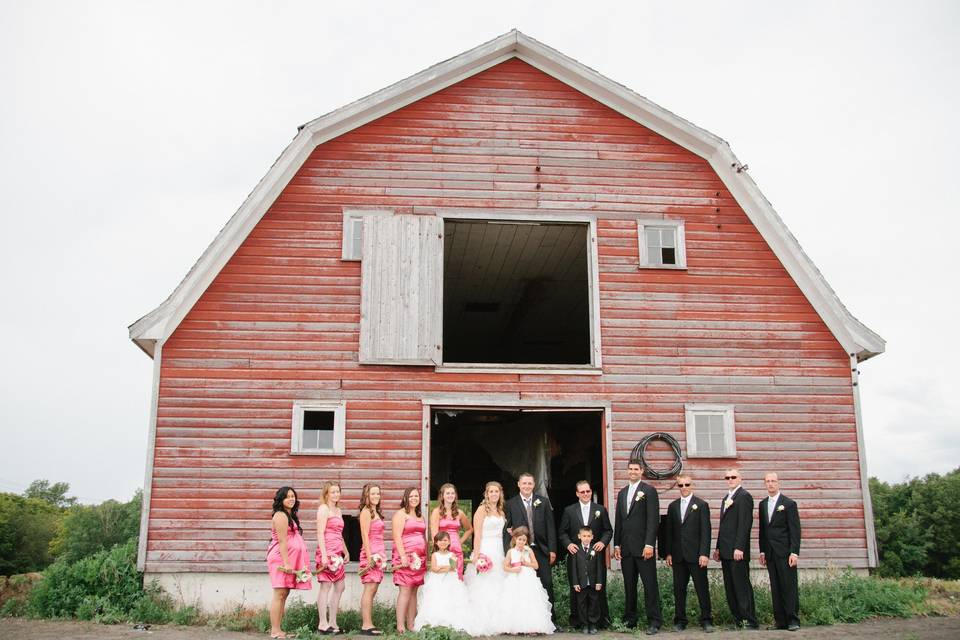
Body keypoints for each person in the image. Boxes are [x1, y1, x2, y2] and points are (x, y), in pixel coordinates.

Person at [613, 460, 663, 635]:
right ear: (627, 472)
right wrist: (616, 544)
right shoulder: (622, 493)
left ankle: (654, 621)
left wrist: (650, 544)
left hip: (644, 549)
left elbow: (653, 520)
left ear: (641, 471)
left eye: (636, 469)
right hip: (626, 549)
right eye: (630, 469)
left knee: (650, 585)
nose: (633, 472)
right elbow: (619, 521)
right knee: (629, 586)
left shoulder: (649, 491)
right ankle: (630, 620)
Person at [559, 480, 612, 629]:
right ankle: (578, 621)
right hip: (576, 556)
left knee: (597, 588)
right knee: (577, 588)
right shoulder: (569, 510)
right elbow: (562, 532)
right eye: (582, 492)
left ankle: (600, 620)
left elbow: (608, 530)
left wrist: (602, 542)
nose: (585, 494)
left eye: (588, 491)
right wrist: (568, 544)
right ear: (577, 494)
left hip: (595, 556)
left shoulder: (600, 509)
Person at [664, 474, 713, 633]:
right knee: (679, 589)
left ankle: (706, 619)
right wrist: (669, 553)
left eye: (687, 485)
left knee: (701, 588)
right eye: (681, 485)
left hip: (696, 555)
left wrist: (704, 553)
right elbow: (669, 532)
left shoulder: (701, 505)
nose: (684, 488)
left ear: (692, 485)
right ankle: (680, 620)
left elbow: (706, 532)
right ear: (677, 486)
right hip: (678, 555)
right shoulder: (672, 506)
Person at [504, 472, 557, 612]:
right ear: (519, 484)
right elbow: (507, 529)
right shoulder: (510, 504)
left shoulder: (543, 502)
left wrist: (552, 549)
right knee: (523, 587)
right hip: (520, 550)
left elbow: (550, 527)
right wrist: (508, 552)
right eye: (524, 483)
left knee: (546, 583)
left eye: (530, 483)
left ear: (533, 485)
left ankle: (551, 620)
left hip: (541, 548)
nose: (527, 486)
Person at [712, 468, 758, 630]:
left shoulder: (744, 497)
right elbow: (724, 526)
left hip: (737, 551)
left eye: (733, 477)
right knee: (730, 586)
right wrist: (718, 547)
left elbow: (745, 524)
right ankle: (738, 619)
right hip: (725, 550)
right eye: (727, 477)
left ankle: (749, 620)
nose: (730, 479)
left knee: (741, 585)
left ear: (740, 478)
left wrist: (739, 547)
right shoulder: (727, 497)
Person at [266, 486, 312, 640]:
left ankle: (279, 629)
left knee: (284, 593)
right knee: (279, 593)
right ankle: (275, 630)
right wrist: (286, 563)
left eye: (293, 496)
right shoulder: (280, 515)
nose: (291, 499)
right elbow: (282, 541)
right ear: (281, 499)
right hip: (280, 558)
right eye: (288, 497)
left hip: (288, 558)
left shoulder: (290, 515)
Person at [759, 472, 801, 632]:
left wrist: (794, 552)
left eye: (773, 481)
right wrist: (762, 551)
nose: (770, 484)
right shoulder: (763, 504)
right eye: (767, 481)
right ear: (765, 484)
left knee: (788, 586)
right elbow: (763, 530)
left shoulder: (789, 504)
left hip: (785, 552)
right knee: (775, 587)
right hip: (769, 553)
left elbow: (795, 530)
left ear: (778, 483)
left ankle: (792, 619)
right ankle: (780, 621)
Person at [465, 480, 508, 636]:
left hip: (499, 550)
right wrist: (477, 554)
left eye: (497, 491)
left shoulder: (501, 511)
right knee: (484, 584)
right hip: (485, 548)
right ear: (486, 494)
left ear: (500, 493)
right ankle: (482, 620)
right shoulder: (482, 509)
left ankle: (498, 621)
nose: (494, 494)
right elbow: (477, 533)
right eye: (491, 491)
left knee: (499, 584)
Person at [414, 531, 473, 633]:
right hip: (437, 582)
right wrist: (445, 567)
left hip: (450, 582)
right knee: (437, 599)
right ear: (436, 543)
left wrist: (441, 568)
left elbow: (453, 568)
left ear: (449, 542)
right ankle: (436, 623)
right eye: (440, 540)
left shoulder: (452, 554)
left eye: (445, 540)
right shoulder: (434, 555)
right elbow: (434, 569)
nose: (442, 542)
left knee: (450, 600)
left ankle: (451, 623)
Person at [499, 526, 555, 634]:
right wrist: (513, 570)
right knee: (515, 600)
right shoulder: (510, 552)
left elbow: (536, 566)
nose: (521, 542)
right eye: (519, 539)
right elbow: (505, 567)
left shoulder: (529, 551)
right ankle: (513, 626)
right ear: (515, 538)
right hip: (514, 578)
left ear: (526, 541)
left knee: (528, 600)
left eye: (524, 540)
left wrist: (526, 563)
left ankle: (531, 626)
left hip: (528, 578)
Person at [392, 487, 427, 633]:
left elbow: (423, 537)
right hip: (406, 557)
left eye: (416, 496)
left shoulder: (420, 516)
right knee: (405, 591)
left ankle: (411, 624)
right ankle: (400, 626)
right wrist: (403, 556)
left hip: (420, 559)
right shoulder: (400, 514)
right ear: (406, 498)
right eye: (411, 496)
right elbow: (397, 536)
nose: (414, 498)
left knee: (414, 592)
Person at [315, 481, 348, 635]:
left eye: (338, 491)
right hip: (327, 551)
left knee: (340, 586)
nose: (336, 494)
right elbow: (320, 533)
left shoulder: (338, 510)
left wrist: (345, 551)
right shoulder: (323, 509)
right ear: (326, 494)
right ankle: (322, 623)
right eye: (333, 492)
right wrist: (323, 555)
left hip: (338, 553)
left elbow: (339, 533)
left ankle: (333, 622)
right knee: (325, 586)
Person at [358, 483, 386, 635]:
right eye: (373, 494)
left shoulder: (376, 511)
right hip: (370, 553)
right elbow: (364, 535)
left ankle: (369, 623)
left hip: (379, 553)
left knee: (373, 588)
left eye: (378, 493)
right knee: (369, 588)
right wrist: (369, 557)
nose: (376, 496)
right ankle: (366, 625)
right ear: (366, 496)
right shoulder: (366, 512)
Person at [429, 483, 473, 580]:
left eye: (452, 493)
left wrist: (460, 541)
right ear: (442, 496)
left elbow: (469, 529)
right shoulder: (437, 512)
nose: (450, 495)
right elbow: (434, 534)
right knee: (442, 576)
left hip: (456, 550)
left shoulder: (459, 513)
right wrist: (439, 548)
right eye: (447, 493)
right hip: (443, 549)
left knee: (455, 576)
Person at [569, 526, 606, 634]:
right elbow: (574, 569)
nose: (586, 538)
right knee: (581, 604)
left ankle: (593, 624)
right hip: (581, 583)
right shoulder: (576, 550)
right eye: (584, 536)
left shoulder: (595, 549)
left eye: (588, 536)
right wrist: (575, 583)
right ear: (579, 536)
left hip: (593, 582)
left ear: (592, 537)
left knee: (594, 603)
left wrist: (599, 581)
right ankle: (584, 624)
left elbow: (599, 566)